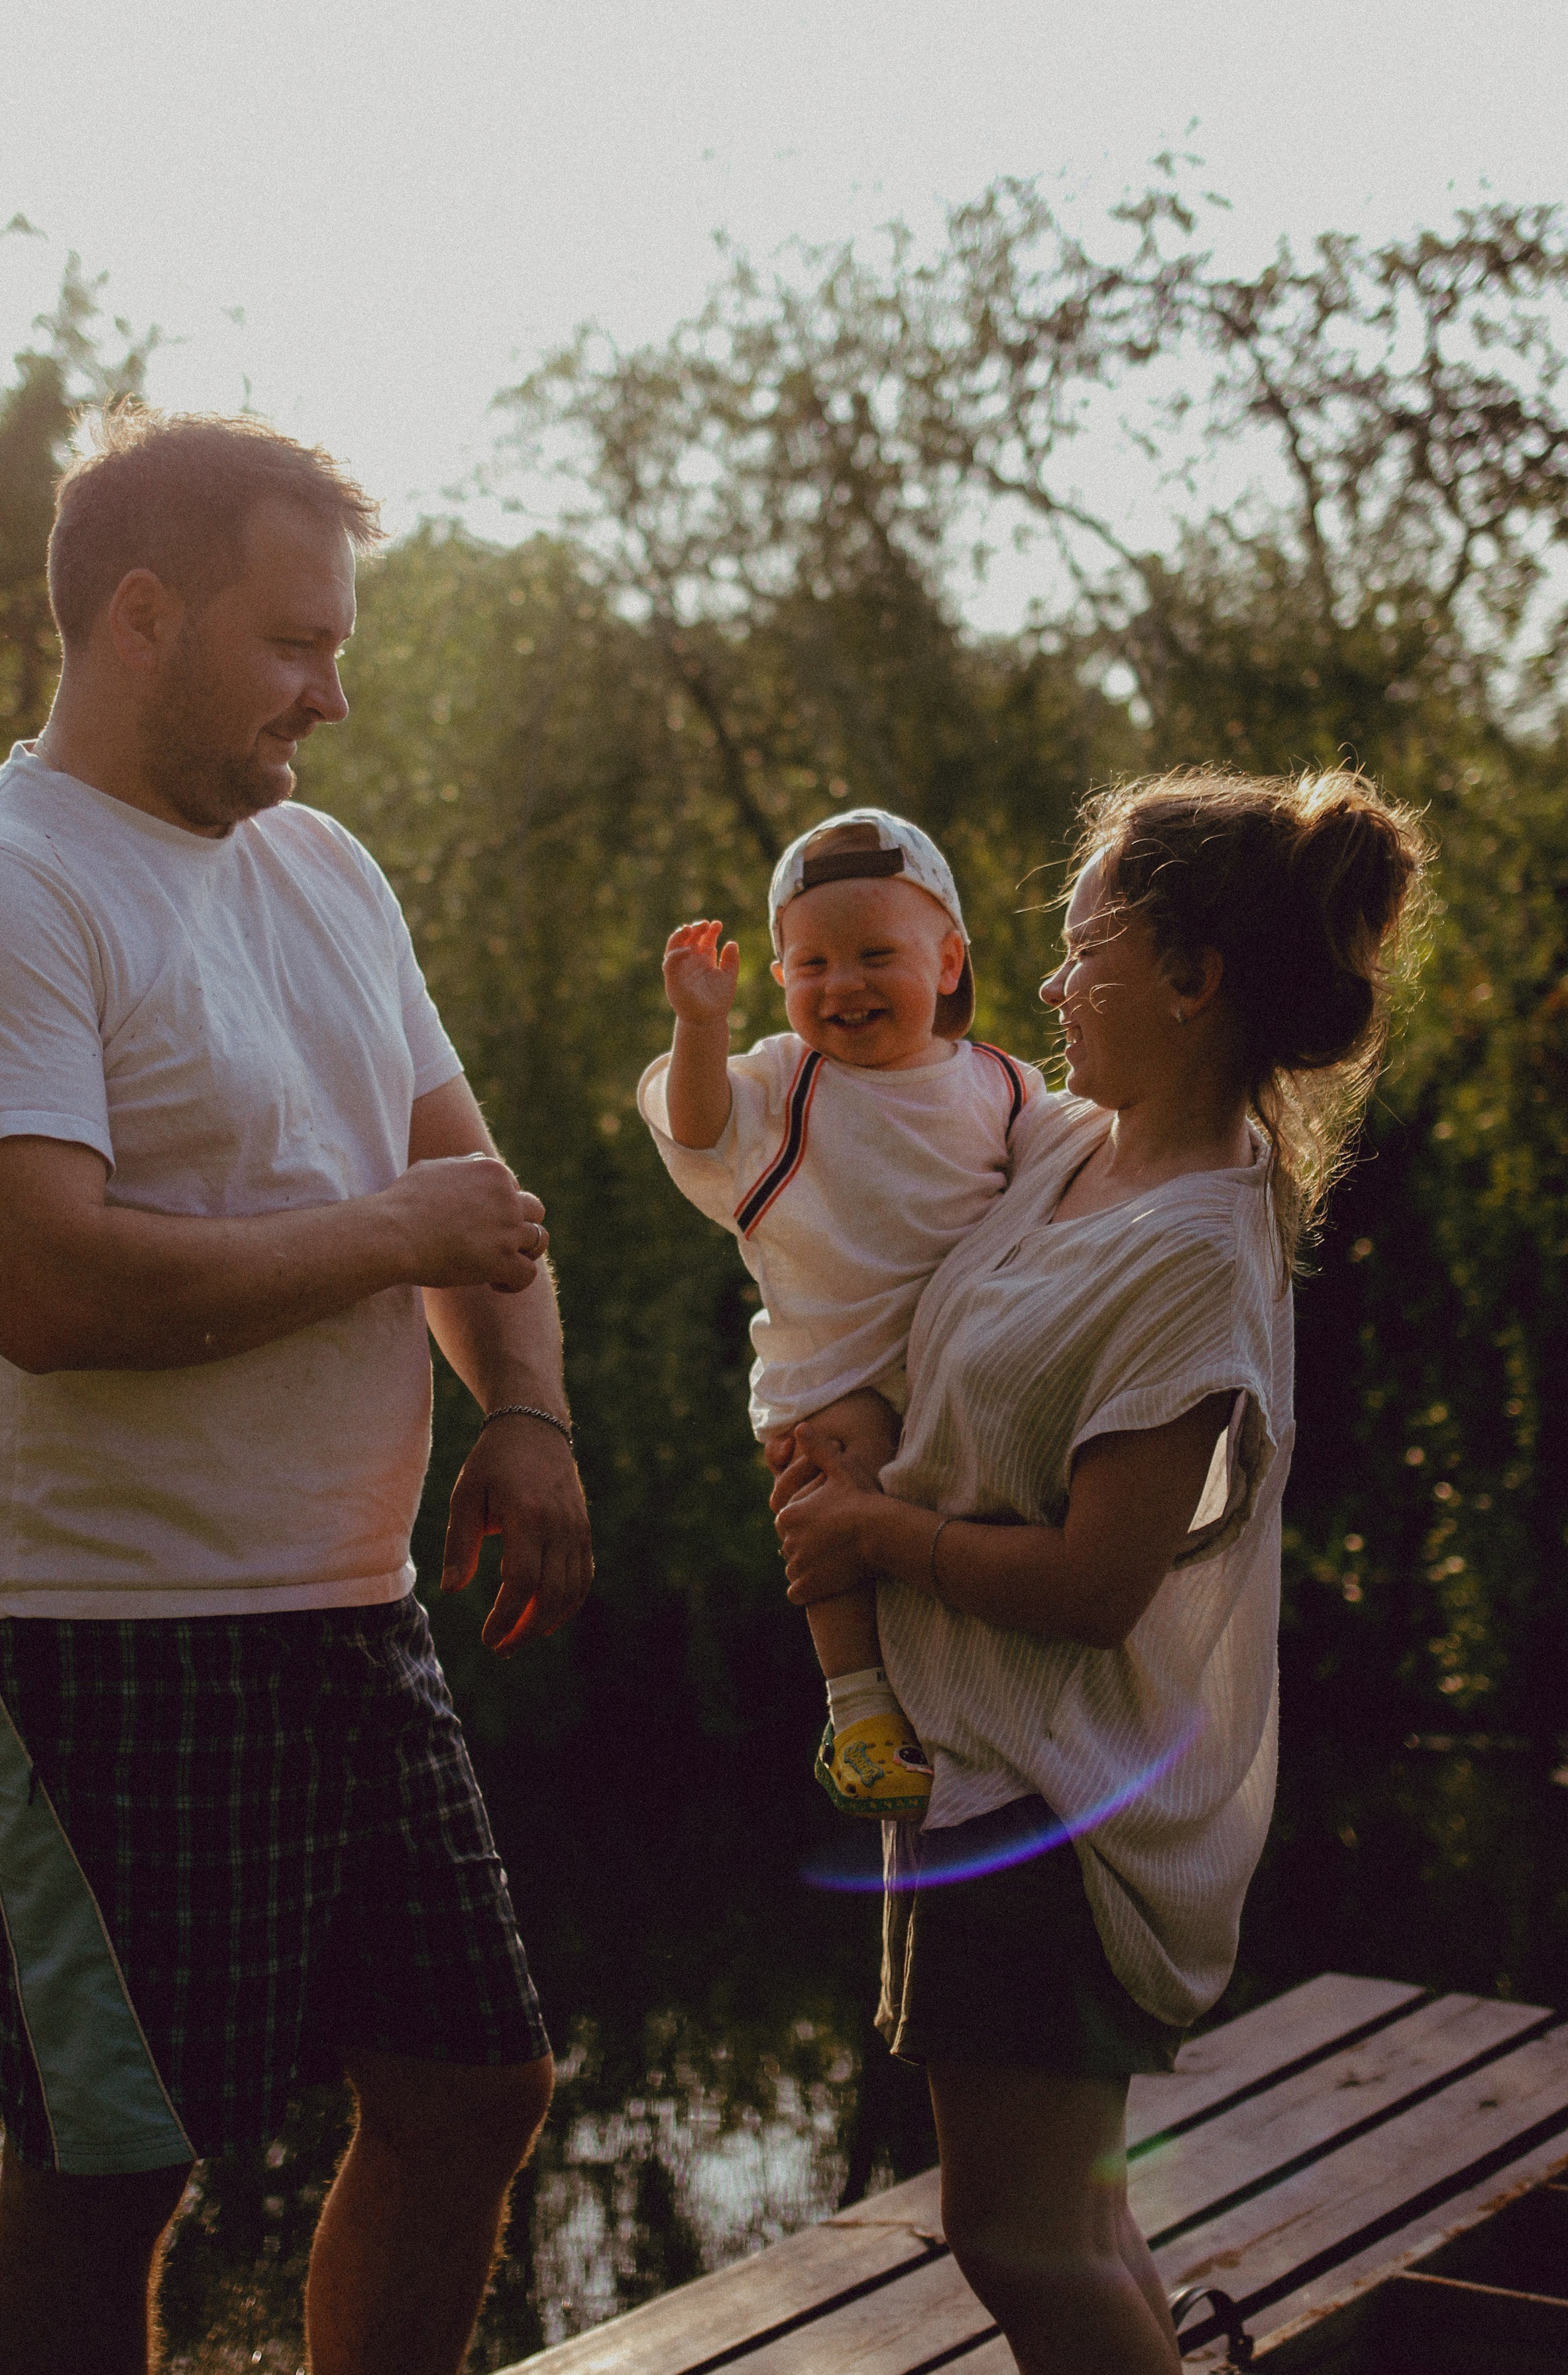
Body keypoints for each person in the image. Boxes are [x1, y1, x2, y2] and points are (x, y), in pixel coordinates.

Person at [0, 406, 592, 2375]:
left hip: (347, 1605)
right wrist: (385, 1237)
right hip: (93, 1622)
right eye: (293, 643)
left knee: (477, 2085)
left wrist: (523, 1414)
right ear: (137, 616)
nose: (333, 695)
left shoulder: (327, 871)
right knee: (116, 2164)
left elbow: (479, 1205)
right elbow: (41, 1280)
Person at [773, 769, 1426, 2375]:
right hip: (984, 1781)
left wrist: (872, 1537)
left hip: (1055, 1819)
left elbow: (1092, 1583)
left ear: (1193, 979)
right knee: (1084, 2221)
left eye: (1084, 950)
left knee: (1017, 2232)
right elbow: (877, 1151)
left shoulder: (1194, 1249)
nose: (1051, 984)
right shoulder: (1075, 1151)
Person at [638, 810, 1040, 1816]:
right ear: (779, 980)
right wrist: (700, 1027)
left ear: (948, 960)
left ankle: (1014, 1699)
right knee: (833, 1496)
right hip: (840, 1376)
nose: (844, 985)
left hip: (966, 1369)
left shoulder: (1000, 1084)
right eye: (811, 965)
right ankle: (857, 1713)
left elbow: (1083, 1173)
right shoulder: (785, 1081)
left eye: (875, 956)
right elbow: (698, 1128)